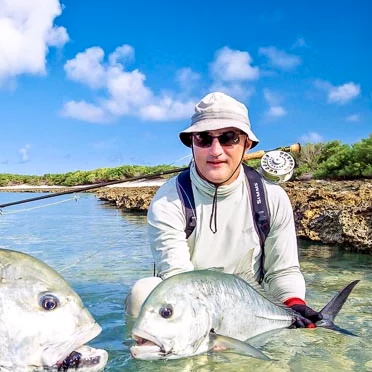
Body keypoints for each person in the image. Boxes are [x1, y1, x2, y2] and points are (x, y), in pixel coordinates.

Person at [126, 92, 320, 328]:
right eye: (204, 139)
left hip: (250, 301)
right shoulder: (167, 201)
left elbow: (282, 271)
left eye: (228, 138)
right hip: (189, 302)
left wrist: (294, 304)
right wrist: (210, 324)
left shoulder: (272, 198)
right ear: (192, 143)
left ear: (246, 144)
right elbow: (178, 278)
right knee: (142, 293)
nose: (215, 151)